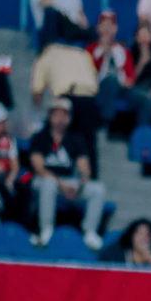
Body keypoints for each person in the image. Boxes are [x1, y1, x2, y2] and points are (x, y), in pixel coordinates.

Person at [28, 97, 106, 249]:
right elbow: (39, 168)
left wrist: (81, 183)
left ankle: (89, 232)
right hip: (43, 181)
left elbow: (84, 167)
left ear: (69, 118)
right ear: (50, 116)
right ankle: (46, 229)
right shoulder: (40, 137)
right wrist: (60, 184)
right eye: (57, 114)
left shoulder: (76, 139)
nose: (60, 119)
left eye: (64, 115)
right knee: (49, 183)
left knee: (98, 189)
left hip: (68, 181)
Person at [86, 10, 139, 125]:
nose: (107, 29)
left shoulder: (123, 51)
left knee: (145, 98)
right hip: (99, 87)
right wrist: (103, 52)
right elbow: (88, 73)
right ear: (98, 28)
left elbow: (130, 76)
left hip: (121, 87)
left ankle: (143, 131)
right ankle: (105, 125)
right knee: (111, 80)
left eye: (111, 25)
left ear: (116, 29)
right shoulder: (91, 49)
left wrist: (128, 82)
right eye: (104, 25)